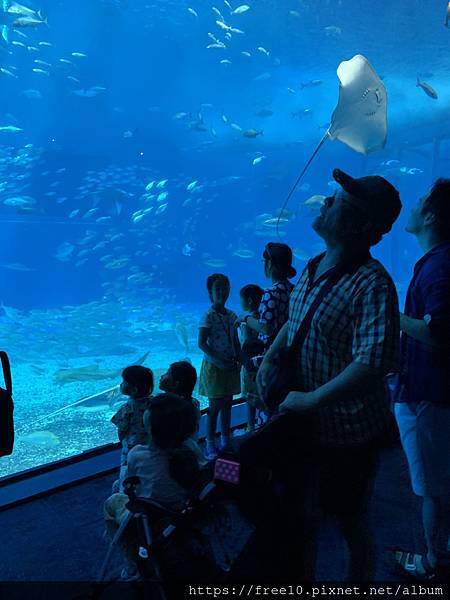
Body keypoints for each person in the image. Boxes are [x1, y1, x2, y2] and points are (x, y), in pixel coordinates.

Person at [257, 168, 401, 581]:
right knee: (301, 518)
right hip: (303, 426)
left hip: (346, 433)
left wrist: (311, 399)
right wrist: (273, 354)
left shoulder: (372, 283)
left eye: (337, 201)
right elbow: (300, 316)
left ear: (358, 224)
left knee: (349, 521)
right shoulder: (315, 264)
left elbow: (373, 362)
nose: (325, 202)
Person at [392, 179, 450, 580]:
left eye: (419, 201)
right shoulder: (438, 261)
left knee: (431, 486)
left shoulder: (440, 266)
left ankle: (433, 562)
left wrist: (392, 315)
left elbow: (438, 331)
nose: (412, 206)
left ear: (430, 215)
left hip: (428, 396)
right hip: (432, 392)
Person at [104, 393, 201, 581]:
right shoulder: (191, 449)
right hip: (183, 511)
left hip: (149, 516)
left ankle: (132, 560)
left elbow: (129, 488)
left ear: (149, 429)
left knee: (112, 500)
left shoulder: (137, 454)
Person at [198, 273, 241, 459]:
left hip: (231, 366)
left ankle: (225, 439)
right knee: (214, 407)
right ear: (210, 292)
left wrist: (240, 359)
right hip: (214, 368)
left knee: (227, 405)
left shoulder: (232, 315)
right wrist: (220, 360)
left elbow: (235, 341)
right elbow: (202, 343)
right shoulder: (208, 315)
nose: (222, 291)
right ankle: (209, 443)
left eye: (225, 287)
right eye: (218, 288)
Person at [239, 243, 296, 375]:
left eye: (264, 261)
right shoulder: (294, 289)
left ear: (270, 264)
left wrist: (245, 318)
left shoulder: (271, 293)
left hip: (270, 355)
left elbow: (266, 328)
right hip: (288, 350)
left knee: (246, 366)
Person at [111, 365, 154, 492]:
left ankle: (124, 490)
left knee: (128, 467)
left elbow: (122, 429)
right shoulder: (155, 402)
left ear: (134, 390)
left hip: (131, 445)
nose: (121, 384)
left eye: (124, 382)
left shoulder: (127, 409)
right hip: (152, 443)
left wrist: (122, 440)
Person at [235, 284, 264, 430]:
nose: (240, 302)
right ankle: (259, 422)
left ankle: (251, 426)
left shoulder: (246, 320)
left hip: (249, 362)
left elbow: (246, 342)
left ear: (249, 301)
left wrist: (240, 361)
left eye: (241, 299)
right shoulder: (261, 317)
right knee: (259, 392)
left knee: (249, 396)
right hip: (261, 360)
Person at [159, 360, 201, 428]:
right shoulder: (195, 403)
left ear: (176, 384)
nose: (161, 376)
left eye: (167, 373)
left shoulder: (162, 407)